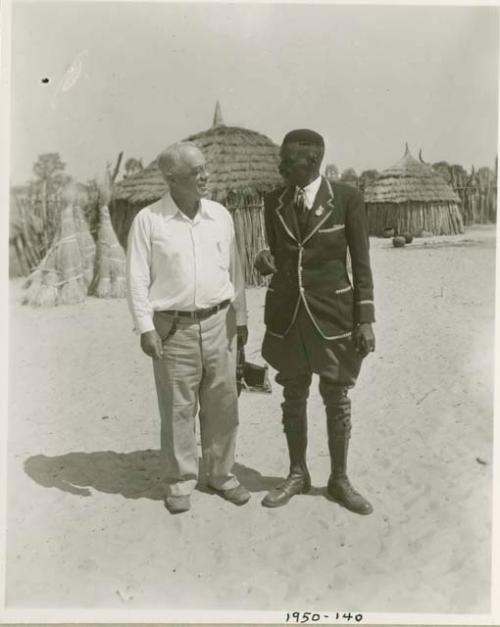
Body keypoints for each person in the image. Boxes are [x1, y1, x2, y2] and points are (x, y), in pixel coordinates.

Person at [254, 129, 375, 514]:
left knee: (336, 396)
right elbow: (274, 253)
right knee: (293, 393)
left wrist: (365, 319)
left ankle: (339, 479)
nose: (280, 166)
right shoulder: (273, 201)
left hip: (334, 315)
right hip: (288, 314)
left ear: (311, 162)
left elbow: (361, 264)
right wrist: (263, 262)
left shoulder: (347, 199)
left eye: (287, 161)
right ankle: (297, 473)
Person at [126, 141, 250, 514]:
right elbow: (135, 278)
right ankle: (180, 481)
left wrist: (240, 319)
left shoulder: (220, 216)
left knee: (223, 404)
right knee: (179, 409)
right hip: (173, 329)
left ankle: (221, 473)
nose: (205, 176)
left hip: (219, 323)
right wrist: (146, 328)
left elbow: (235, 270)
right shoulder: (149, 221)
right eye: (196, 172)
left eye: (204, 168)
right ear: (172, 178)